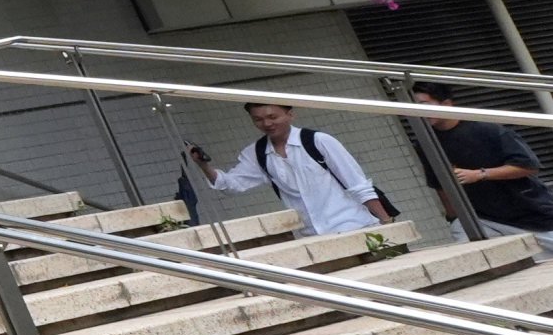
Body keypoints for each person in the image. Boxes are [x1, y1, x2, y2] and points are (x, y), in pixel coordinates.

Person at [187, 101, 392, 238]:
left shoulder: (318, 141)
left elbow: (358, 185)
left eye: (273, 117)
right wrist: (203, 165)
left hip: (355, 226)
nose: (266, 123)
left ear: (290, 114)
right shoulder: (257, 153)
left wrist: (387, 222)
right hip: (312, 236)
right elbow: (230, 185)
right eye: (258, 119)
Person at [422, 89, 553, 236]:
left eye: (423, 104)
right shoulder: (425, 142)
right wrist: (453, 217)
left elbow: (528, 166)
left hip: (530, 214)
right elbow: (440, 185)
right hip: (482, 219)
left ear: (446, 104)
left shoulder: (485, 129)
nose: (419, 110)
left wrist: (480, 174)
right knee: (465, 241)